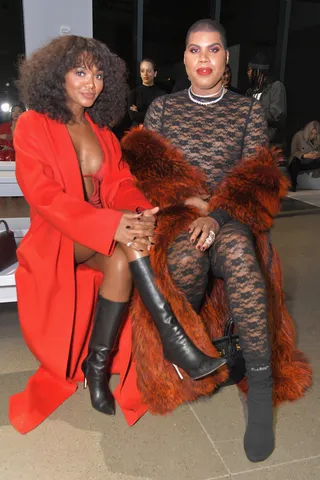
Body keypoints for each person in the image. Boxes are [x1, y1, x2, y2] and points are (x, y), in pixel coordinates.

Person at [12, 35, 225, 422]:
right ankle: (175, 340)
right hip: (54, 234)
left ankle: (97, 371)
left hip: (98, 230)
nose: (91, 83)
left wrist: (139, 214)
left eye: (97, 74)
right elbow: (43, 195)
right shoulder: (32, 124)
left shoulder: (104, 134)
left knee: (125, 259)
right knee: (127, 241)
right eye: (80, 72)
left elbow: (121, 186)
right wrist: (112, 224)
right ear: (56, 75)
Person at [141, 19, 290, 463]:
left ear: (227, 59)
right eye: (194, 50)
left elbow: (257, 179)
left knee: (241, 254)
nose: (204, 58)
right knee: (187, 258)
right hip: (179, 214)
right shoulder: (162, 110)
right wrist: (185, 202)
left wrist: (217, 215)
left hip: (231, 214)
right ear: (184, 59)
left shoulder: (247, 111)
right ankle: (188, 352)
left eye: (213, 50)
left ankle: (260, 391)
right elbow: (146, 174)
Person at [246, 52, 287, 146]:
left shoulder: (276, 86)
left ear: (258, 71)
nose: (247, 73)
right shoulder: (250, 91)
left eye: (250, 69)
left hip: (270, 145)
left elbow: (277, 114)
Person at [128, 58, 165, 126]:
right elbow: (133, 116)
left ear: (155, 74)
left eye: (149, 71)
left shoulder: (161, 94)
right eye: (142, 71)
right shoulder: (133, 93)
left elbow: (161, 117)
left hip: (155, 133)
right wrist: (153, 113)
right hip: (137, 133)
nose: (145, 74)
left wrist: (139, 112)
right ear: (140, 73)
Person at [288, 121, 320, 191]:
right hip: (299, 162)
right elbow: (293, 152)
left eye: (315, 134)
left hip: (311, 161)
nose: (313, 136)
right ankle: (293, 184)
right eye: (311, 133)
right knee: (295, 161)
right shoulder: (298, 135)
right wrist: (305, 155)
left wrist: (317, 155)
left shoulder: (318, 139)